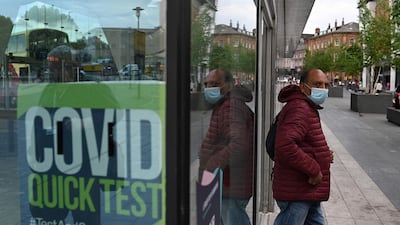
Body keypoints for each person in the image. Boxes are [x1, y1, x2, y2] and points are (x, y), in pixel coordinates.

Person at [273, 69, 334, 225]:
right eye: (317, 84)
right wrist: (314, 169)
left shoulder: (306, 106)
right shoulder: (300, 108)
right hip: (297, 190)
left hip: (306, 190)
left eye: (325, 85)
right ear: (302, 87)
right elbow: (285, 145)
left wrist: (324, 155)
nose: (322, 89)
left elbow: (303, 142)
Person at [198, 69, 254, 225]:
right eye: (207, 84)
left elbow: (238, 144)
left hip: (231, 184)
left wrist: (212, 164)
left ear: (229, 85)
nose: (210, 88)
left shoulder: (230, 108)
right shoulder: (225, 105)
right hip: (227, 183)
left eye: (215, 84)